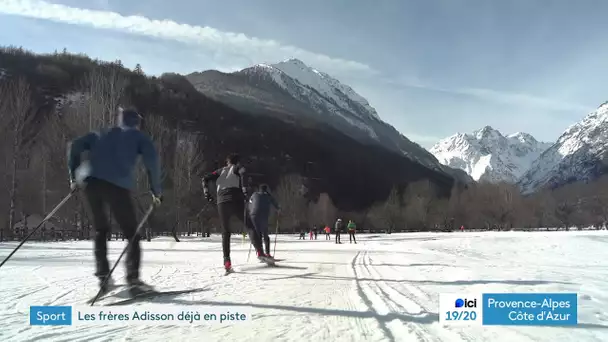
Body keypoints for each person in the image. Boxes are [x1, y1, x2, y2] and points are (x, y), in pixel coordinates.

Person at [67, 108, 162, 296]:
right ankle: (133, 281)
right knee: (132, 233)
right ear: (137, 122)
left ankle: (104, 278)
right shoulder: (139, 137)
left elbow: (75, 145)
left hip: (90, 183)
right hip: (117, 186)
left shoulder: (102, 132)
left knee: (101, 230)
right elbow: (153, 163)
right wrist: (156, 191)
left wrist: (73, 176)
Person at [202, 153, 268, 273]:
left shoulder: (220, 171)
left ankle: (227, 261)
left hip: (221, 201)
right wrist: (244, 189)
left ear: (227, 162)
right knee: (249, 225)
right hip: (235, 198)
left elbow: (205, 178)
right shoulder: (237, 167)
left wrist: (207, 193)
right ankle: (260, 251)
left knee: (226, 232)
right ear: (237, 162)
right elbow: (243, 172)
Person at [248, 184, 280, 257]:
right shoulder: (267, 195)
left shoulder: (254, 194)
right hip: (263, 215)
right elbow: (275, 203)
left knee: (258, 234)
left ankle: (259, 252)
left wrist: (249, 211)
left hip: (253, 215)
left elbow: (250, 202)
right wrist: (278, 209)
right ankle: (267, 253)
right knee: (265, 235)